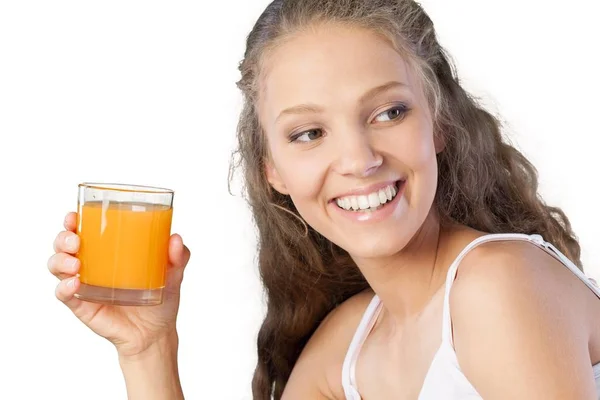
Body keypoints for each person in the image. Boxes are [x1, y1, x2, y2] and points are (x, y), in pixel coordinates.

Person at [48, 0, 600, 398]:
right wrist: (147, 350)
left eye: (389, 112)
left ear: (439, 125)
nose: (359, 159)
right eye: (309, 133)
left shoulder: (497, 285)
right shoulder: (350, 348)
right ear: (274, 173)